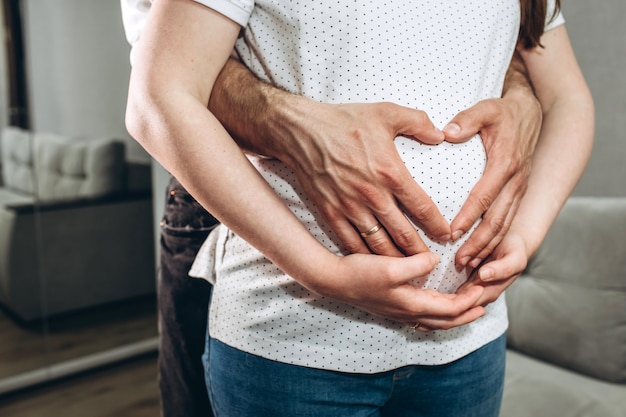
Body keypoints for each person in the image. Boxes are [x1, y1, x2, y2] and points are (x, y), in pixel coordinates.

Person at [125, 0, 593, 416]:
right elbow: (159, 96)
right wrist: (320, 271)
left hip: (470, 338)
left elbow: (566, 98)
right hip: (295, 340)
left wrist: (524, 236)